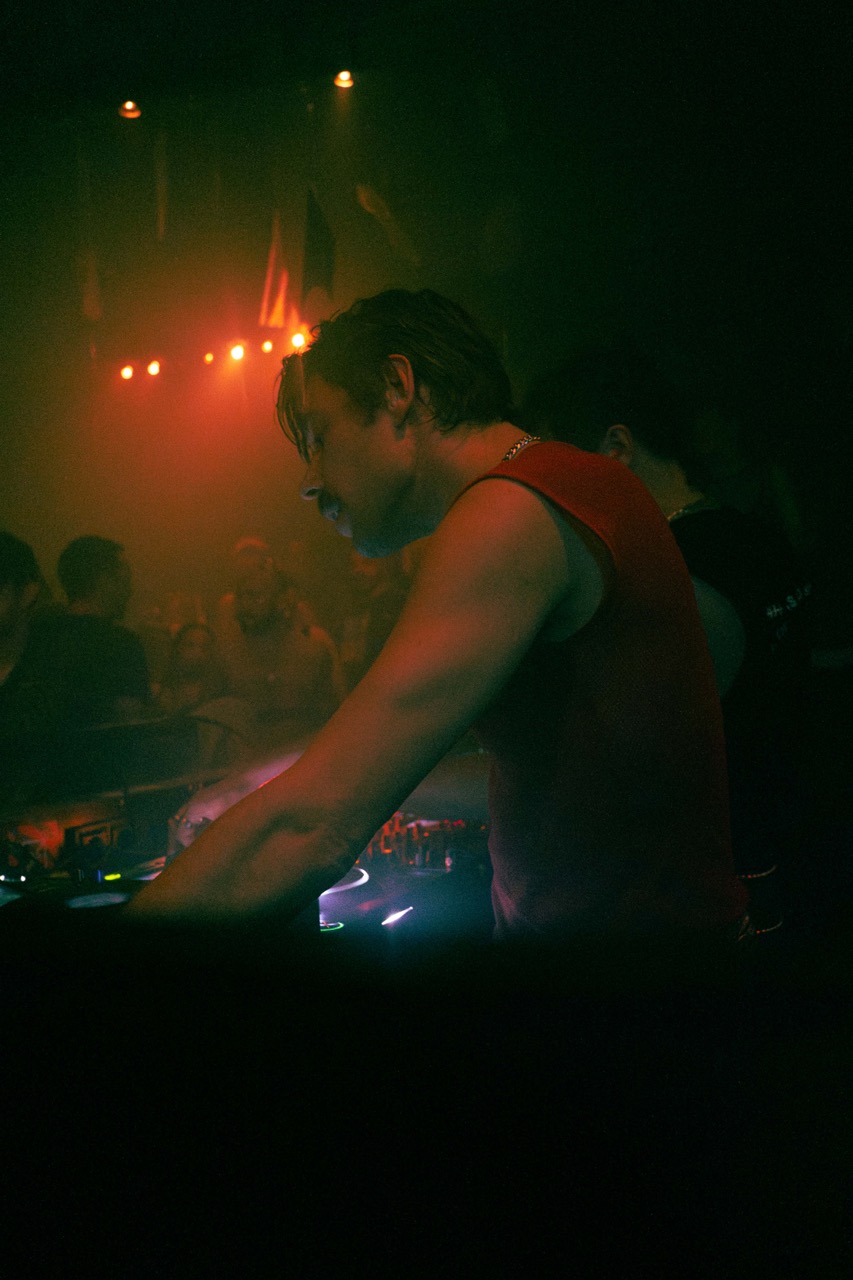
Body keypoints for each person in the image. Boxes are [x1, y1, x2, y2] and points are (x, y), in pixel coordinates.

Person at [131, 289, 747, 951]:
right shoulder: (565, 485)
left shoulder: (513, 509)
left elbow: (314, 828)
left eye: (319, 438)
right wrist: (269, 777)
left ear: (397, 389)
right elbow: (533, 782)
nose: (308, 482)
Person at [522, 342, 813, 934]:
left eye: (558, 467)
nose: (545, 494)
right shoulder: (759, 539)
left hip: (715, 903)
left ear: (616, 447)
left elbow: (610, 771)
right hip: (792, 866)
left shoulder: (666, 574)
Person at [217, 559, 345, 753]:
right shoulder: (228, 651)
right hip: (249, 759)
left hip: (306, 753)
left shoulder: (314, 645)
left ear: (280, 600)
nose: (245, 605)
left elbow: (338, 709)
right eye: (241, 597)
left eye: (255, 596)